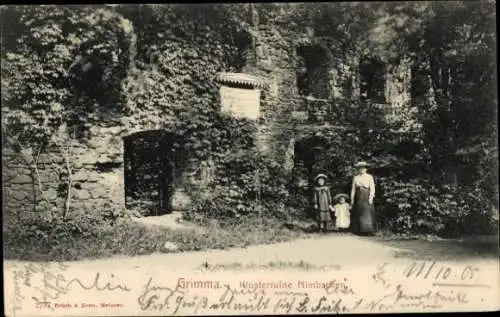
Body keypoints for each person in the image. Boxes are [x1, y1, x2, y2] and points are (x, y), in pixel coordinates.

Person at [350, 161, 376, 235]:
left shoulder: (369, 177)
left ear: (366, 169)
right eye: (360, 168)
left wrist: (371, 198)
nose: (362, 170)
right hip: (359, 195)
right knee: (360, 212)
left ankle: (369, 230)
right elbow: (353, 189)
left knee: (368, 212)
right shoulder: (356, 177)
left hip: (367, 194)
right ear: (358, 169)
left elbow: (372, 188)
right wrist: (352, 199)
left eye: (363, 168)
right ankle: (361, 230)